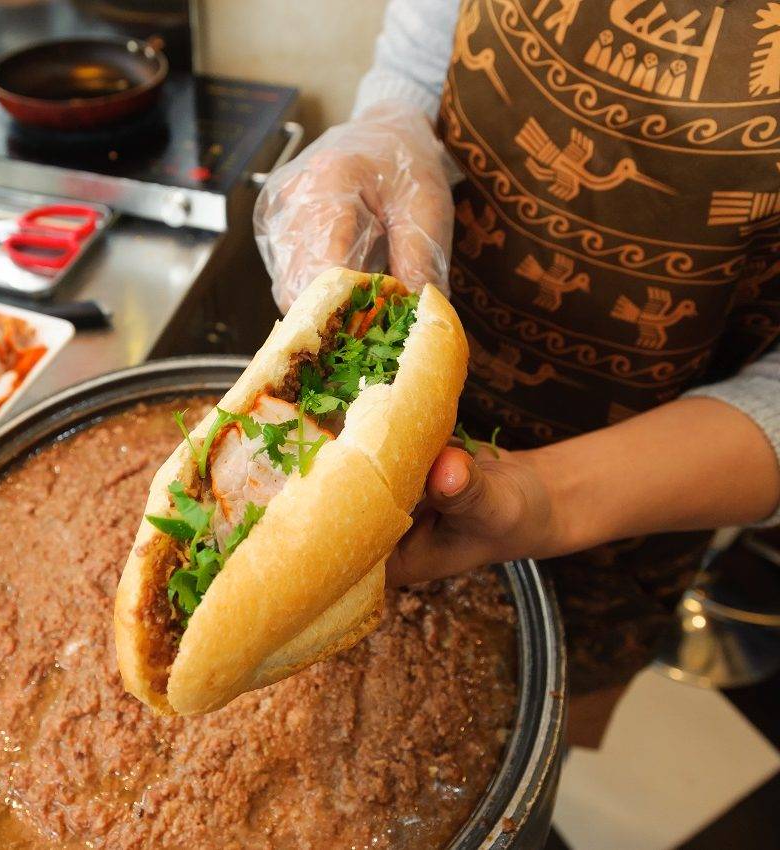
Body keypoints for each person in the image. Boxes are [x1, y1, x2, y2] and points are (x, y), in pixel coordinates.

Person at [254, 0, 780, 745]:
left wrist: (544, 496)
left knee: (513, 734)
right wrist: (390, 129)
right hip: (427, 356)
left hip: (644, 483)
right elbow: (426, 52)